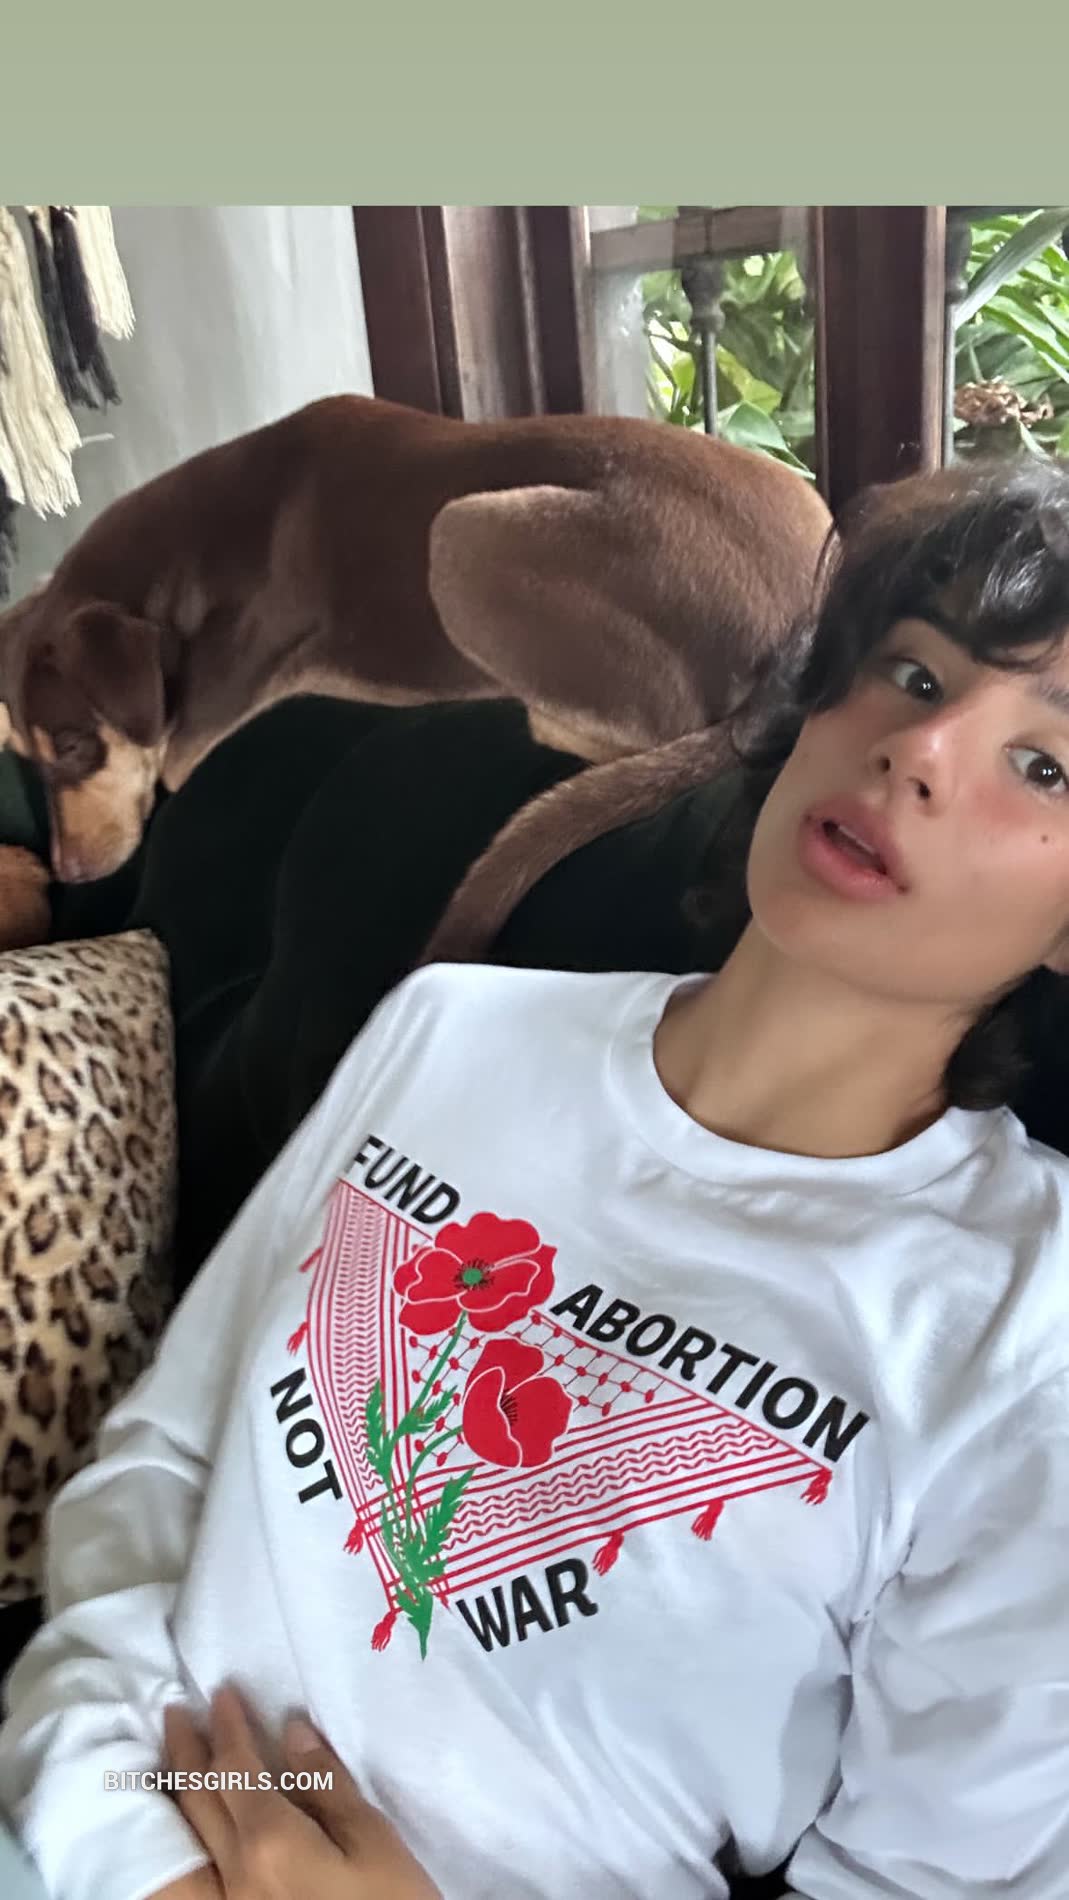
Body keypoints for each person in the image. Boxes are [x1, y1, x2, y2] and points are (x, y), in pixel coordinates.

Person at [4, 456, 1069, 1900]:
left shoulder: (1025, 1330)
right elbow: (161, 1463)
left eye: (1044, 765)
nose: (920, 751)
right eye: (914, 672)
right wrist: (140, 1841)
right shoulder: (457, 1031)